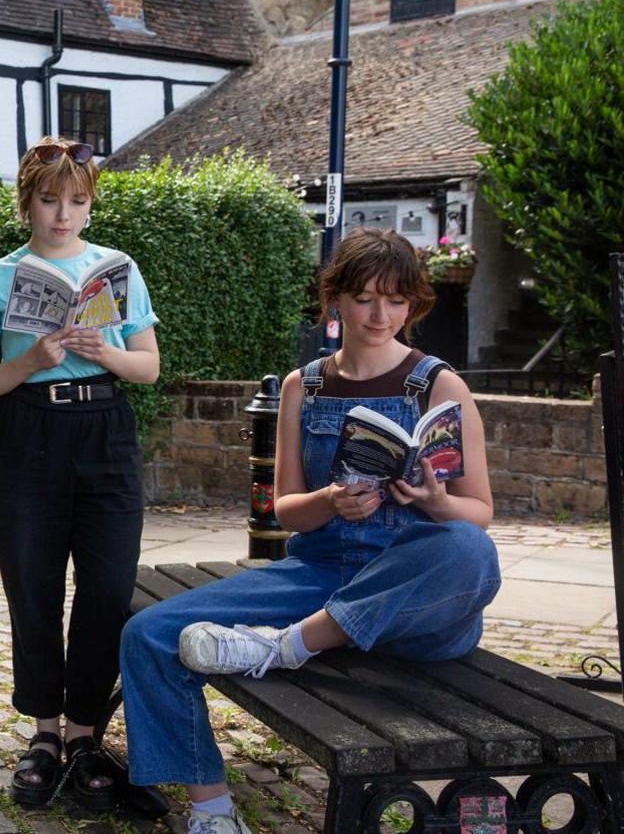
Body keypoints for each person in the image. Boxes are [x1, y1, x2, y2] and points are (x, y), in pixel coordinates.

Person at [118, 228, 499, 834]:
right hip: (321, 574)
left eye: (397, 300)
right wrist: (328, 500)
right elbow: (287, 511)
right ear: (336, 300)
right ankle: (212, 811)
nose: (382, 315)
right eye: (367, 298)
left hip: (408, 599)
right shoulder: (305, 386)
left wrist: (436, 502)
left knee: (468, 547)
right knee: (148, 635)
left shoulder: (440, 385)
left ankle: (288, 647)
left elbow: (479, 508)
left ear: (413, 305)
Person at [0, 136, 162, 811]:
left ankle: (85, 734)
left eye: (76, 201)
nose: (63, 215)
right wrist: (33, 360)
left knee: (107, 587)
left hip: (105, 432)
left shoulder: (117, 269)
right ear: (27, 203)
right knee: (34, 587)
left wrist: (102, 351)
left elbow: (149, 366)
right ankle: (45, 736)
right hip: (26, 431)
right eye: (50, 200)